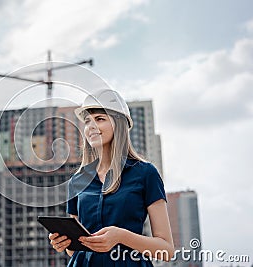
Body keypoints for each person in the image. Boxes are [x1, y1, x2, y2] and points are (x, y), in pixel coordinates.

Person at [48, 89, 174, 266]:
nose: (91, 126)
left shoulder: (146, 173)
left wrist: (121, 236)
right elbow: (75, 251)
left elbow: (166, 251)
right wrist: (65, 242)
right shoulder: (77, 181)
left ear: (119, 124)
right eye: (87, 121)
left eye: (99, 119)